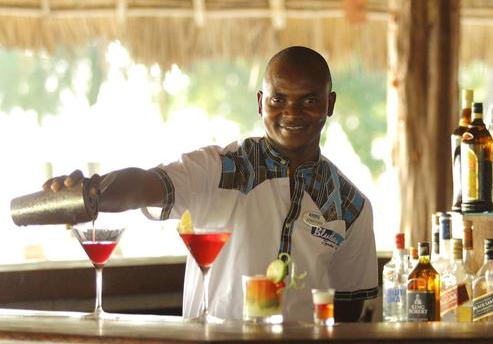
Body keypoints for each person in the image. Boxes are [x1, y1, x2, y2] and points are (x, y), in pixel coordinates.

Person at [45, 46, 378, 322]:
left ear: (329, 104)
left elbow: (349, 308)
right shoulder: (219, 169)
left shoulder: (350, 205)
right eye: (279, 99)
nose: (291, 112)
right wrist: (92, 192)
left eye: (309, 100)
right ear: (261, 102)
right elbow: (143, 185)